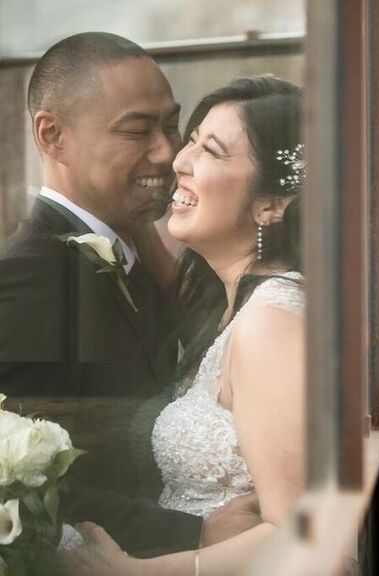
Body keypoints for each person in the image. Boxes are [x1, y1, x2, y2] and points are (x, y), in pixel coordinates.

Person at [59, 75, 307, 576]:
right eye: (191, 141)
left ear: (272, 206)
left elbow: (302, 537)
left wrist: (131, 572)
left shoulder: (272, 324)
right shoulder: (229, 308)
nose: (179, 161)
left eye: (211, 151)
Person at [0, 32, 201, 555]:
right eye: (137, 131)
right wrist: (198, 535)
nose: (167, 151)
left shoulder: (137, 256)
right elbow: (24, 481)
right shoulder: (26, 277)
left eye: (172, 125)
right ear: (52, 135)